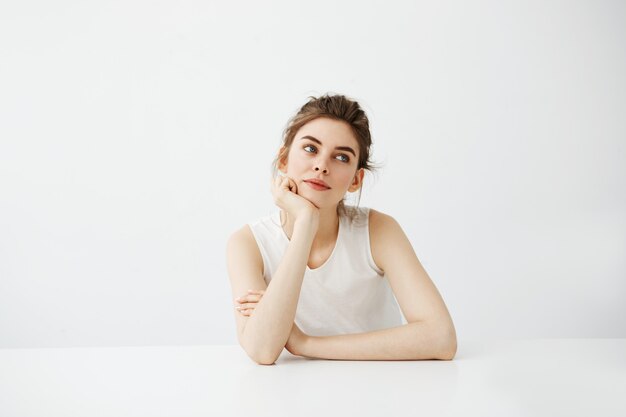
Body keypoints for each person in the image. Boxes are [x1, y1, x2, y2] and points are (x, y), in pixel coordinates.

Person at [226, 93, 456, 365]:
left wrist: (305, 344)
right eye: (311, 149)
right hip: (289, 395)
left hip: (379, 387)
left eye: (342, 157)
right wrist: (305, 224)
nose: (321, 165)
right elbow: (262, 350)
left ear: (356, 180)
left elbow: (441, 339)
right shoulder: (248, 242)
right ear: (283, 160)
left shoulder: (379, 231)